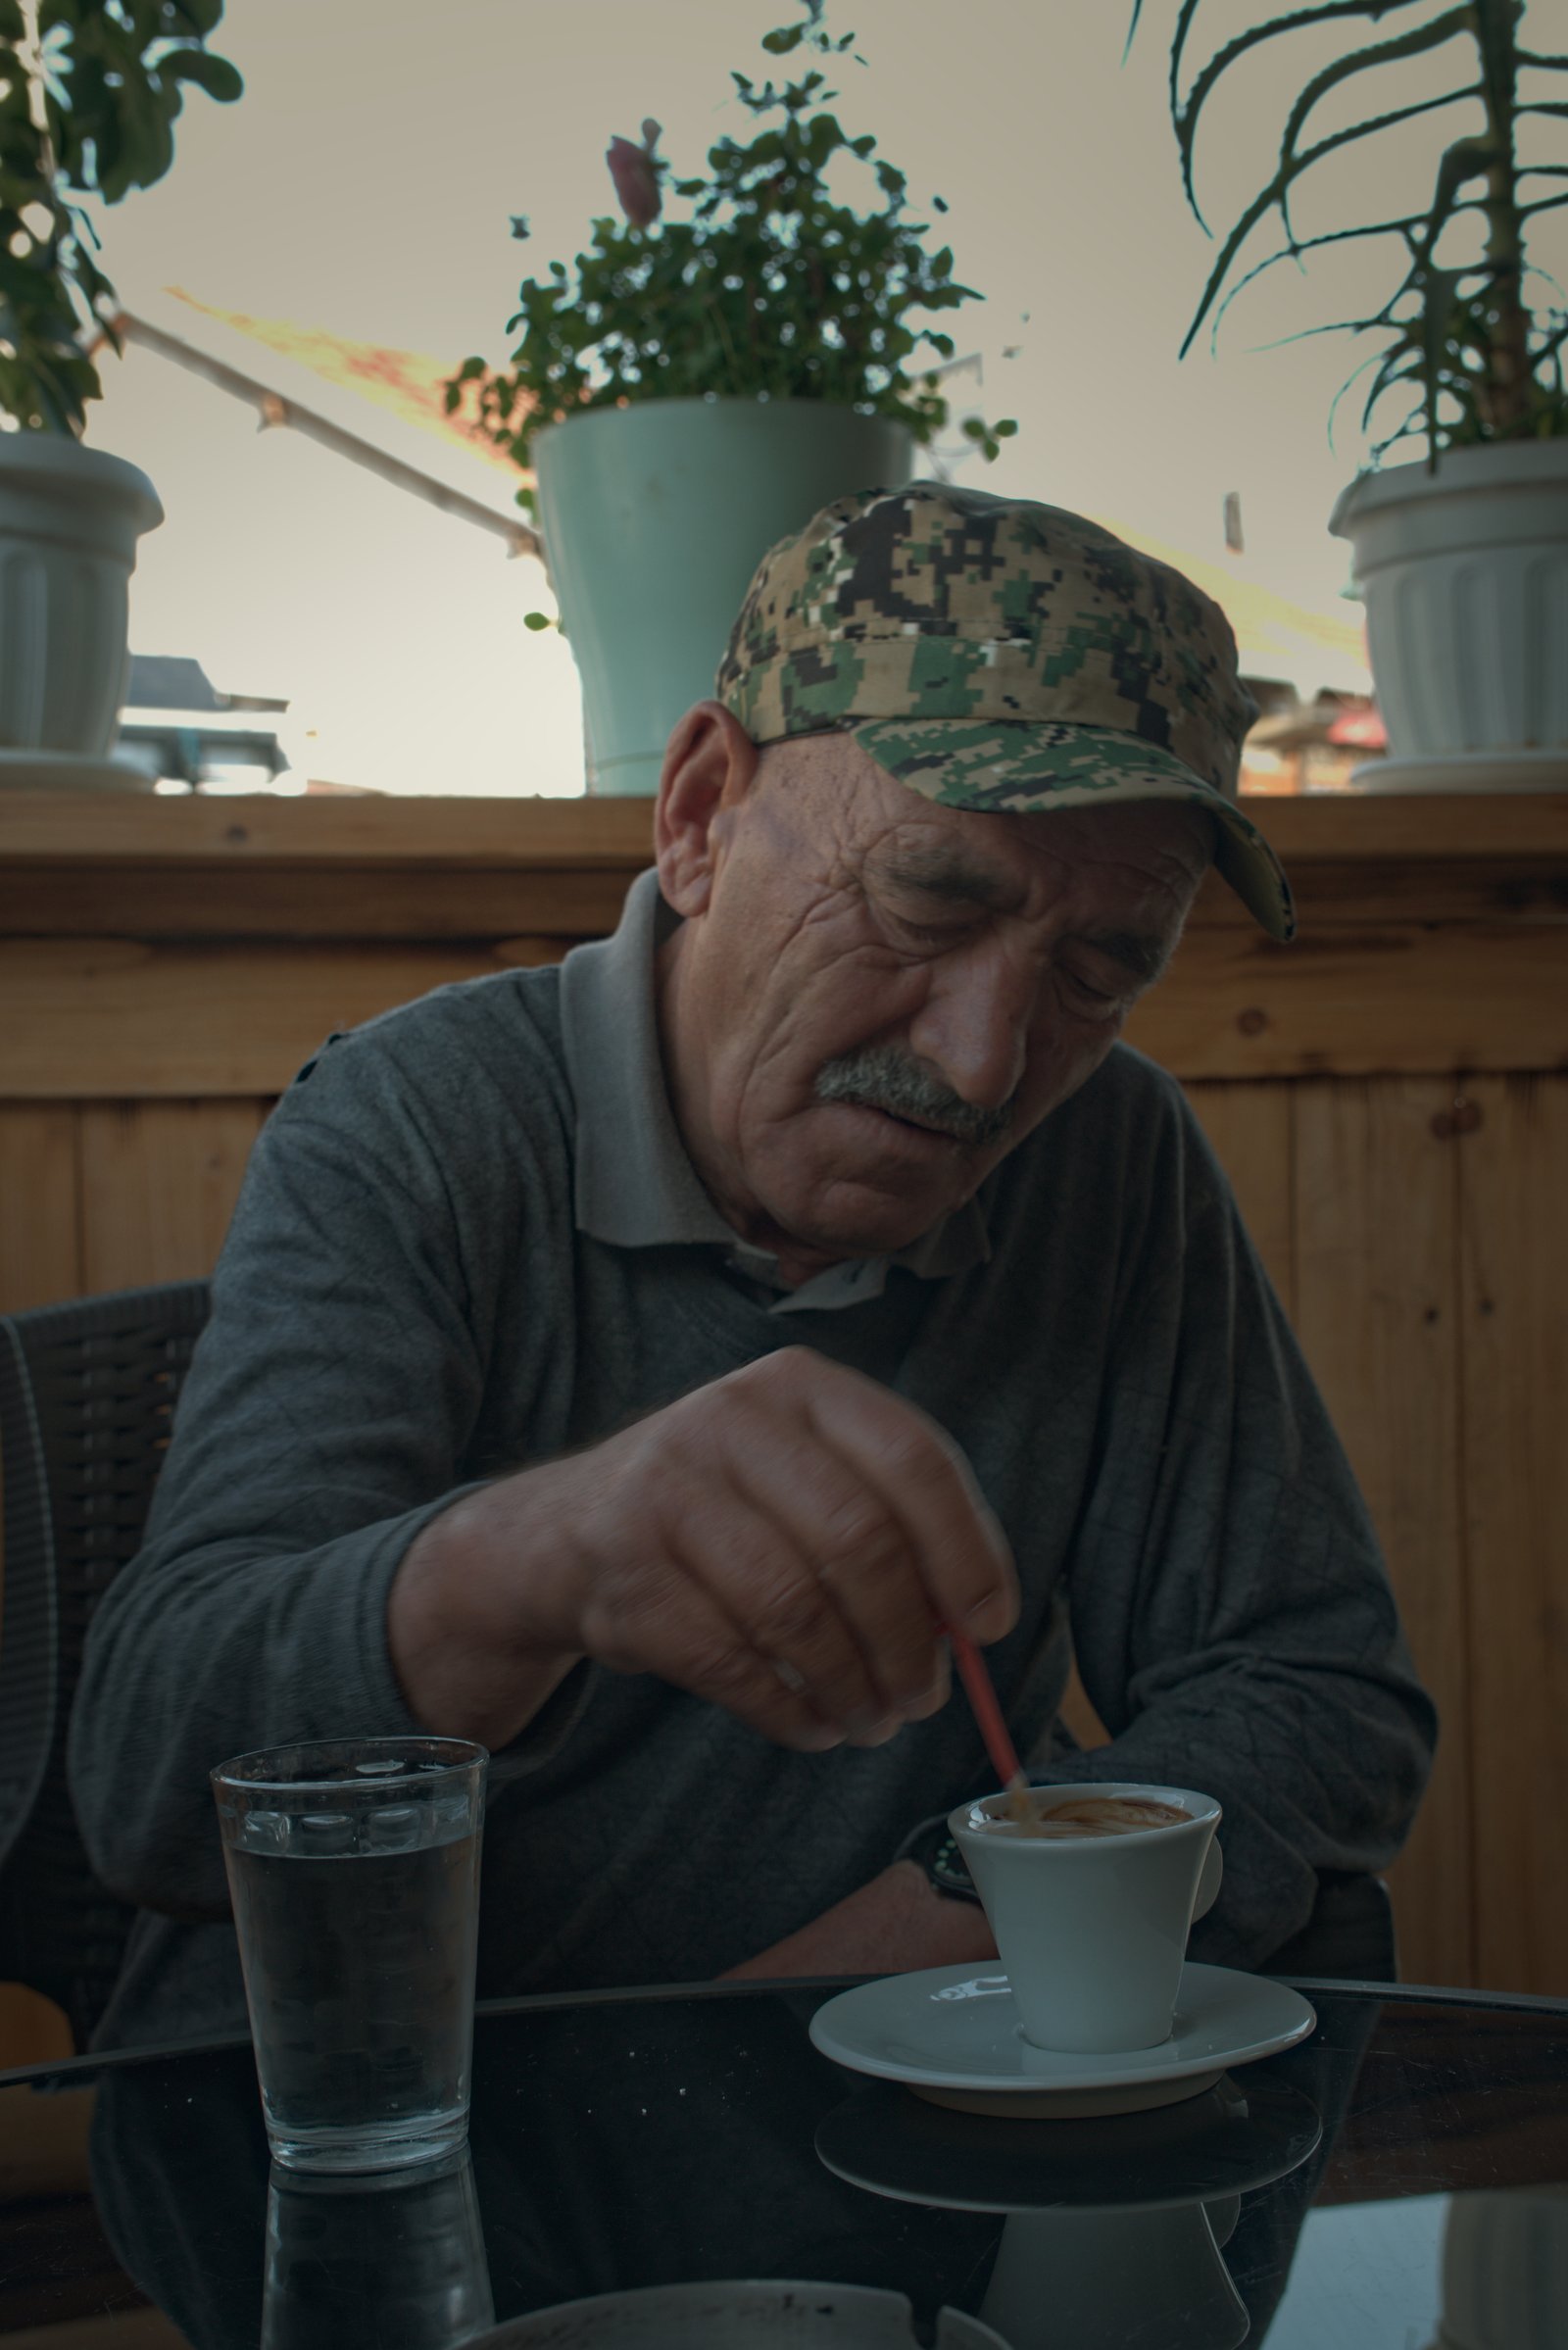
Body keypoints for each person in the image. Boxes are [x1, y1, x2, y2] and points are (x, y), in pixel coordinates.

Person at [70, 483, 1436, 2048]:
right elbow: (152, 1788)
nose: (987, 1066)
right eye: (929, 898)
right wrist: (539, 1557)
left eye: (1099, 969)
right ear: (703, 812)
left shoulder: (1108, 1158)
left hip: (886, 2166)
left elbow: (1320, 1694)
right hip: (393, 2167)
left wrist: (919, 1932)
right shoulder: (421, 1126)